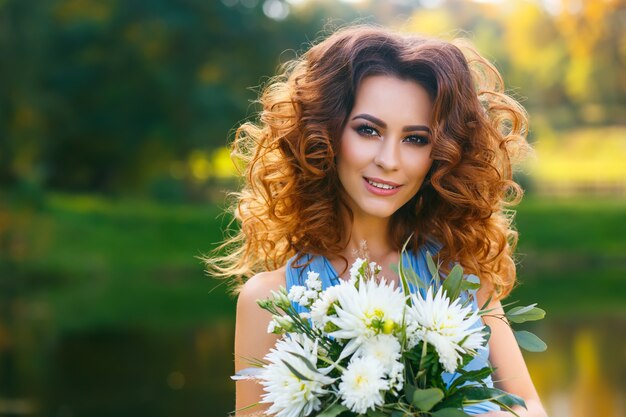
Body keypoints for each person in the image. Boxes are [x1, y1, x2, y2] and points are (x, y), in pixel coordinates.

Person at [206, 24, 548, 417]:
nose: (389, 160)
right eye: (368, 130)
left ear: (441, 154)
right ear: (326, 133)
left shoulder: (459, 272)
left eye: (415, 139)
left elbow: (530, 406)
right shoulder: (268, 302)